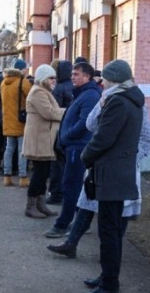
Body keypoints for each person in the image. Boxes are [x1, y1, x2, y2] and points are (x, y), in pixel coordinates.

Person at [46, 86, 150, 258]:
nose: (103, 82)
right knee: (87, 201)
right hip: (100, 165)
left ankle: (111, 259)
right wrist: (101, 104)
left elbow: (147, 138)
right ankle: (71, 244)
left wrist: (130, 160)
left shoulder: (137, 107)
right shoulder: (106, 100)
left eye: (107, 79)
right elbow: (91, 124)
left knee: (119, 213)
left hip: (121, 170)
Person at [81, 59, 145, 293]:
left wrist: (85, 157)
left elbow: (103, 137)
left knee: (109, 231)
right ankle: (107, 276)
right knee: (113, 230)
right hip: (119, 171)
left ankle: (110, 284)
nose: (102, 82)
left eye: (105, 78)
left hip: (111, 173)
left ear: (114, 79)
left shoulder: (117, 101)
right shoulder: (131, 99)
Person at [44, 61, 101, 238]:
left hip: (78, 146)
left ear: (87, 76)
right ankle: (79, 223)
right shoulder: (82, 93)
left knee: (71, 186)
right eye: (72, 74)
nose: (72, 77)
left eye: (76, 74)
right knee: (74, 185)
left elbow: (85, 123)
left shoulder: (90, 95)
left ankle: (63, 224)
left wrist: (67, 136)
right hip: (73, 146)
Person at [22, 64, 66, 218]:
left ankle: (40, 204)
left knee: (43, 172)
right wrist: (69, 111)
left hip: (43, 139)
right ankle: (31, 206)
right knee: (39, 174)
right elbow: (49, 113)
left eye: (54, 77)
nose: (54, 80)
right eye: (51, 78)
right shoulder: (38, 92)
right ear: (43, 78)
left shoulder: (43, 91)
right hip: (39, 140)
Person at [0, 58, 32, 187]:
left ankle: (7, 176)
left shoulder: (3, 82)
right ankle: (23, 177)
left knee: (9, 149)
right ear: (21, 69)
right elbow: (31, 97)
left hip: (7, 120)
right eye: (25, 68)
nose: (27, 70)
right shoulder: (22, 82)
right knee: (22, 150)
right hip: (21, 120)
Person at [47, 59, 73, 205]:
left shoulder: (59, 89)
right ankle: (67, 193)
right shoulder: (75, 87)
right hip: (73, 131)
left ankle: (56, 194)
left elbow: (54, 111)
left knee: (57, 164)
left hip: (60, 130)